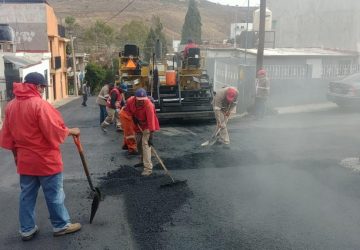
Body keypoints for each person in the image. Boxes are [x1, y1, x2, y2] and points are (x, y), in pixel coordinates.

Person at [0, 72, 81, 241]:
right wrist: (71, 131)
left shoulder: (11, 106)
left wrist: (17, 156)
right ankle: (61, 225)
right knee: (54, 194)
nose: (43, 90)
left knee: (26, 196)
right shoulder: (40, 105)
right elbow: (54, 130)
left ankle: (27, 229)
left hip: (25, 161)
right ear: (36, 86)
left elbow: (7, 137)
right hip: (46, 161)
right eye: (43, 87)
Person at [126, 88, 160, 176]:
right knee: (138, 144)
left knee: (145, 145)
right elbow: (128, 111)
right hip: (138, 125)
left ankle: (148, 169)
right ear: (135, 98)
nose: (141, 102)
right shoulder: (130, 101)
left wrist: (150, 138)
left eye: (143, 100)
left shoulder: (149, 105)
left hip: (148, 126)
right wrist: (134, 118)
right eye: (139, 100)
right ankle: (143, 160)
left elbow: (151, 122)